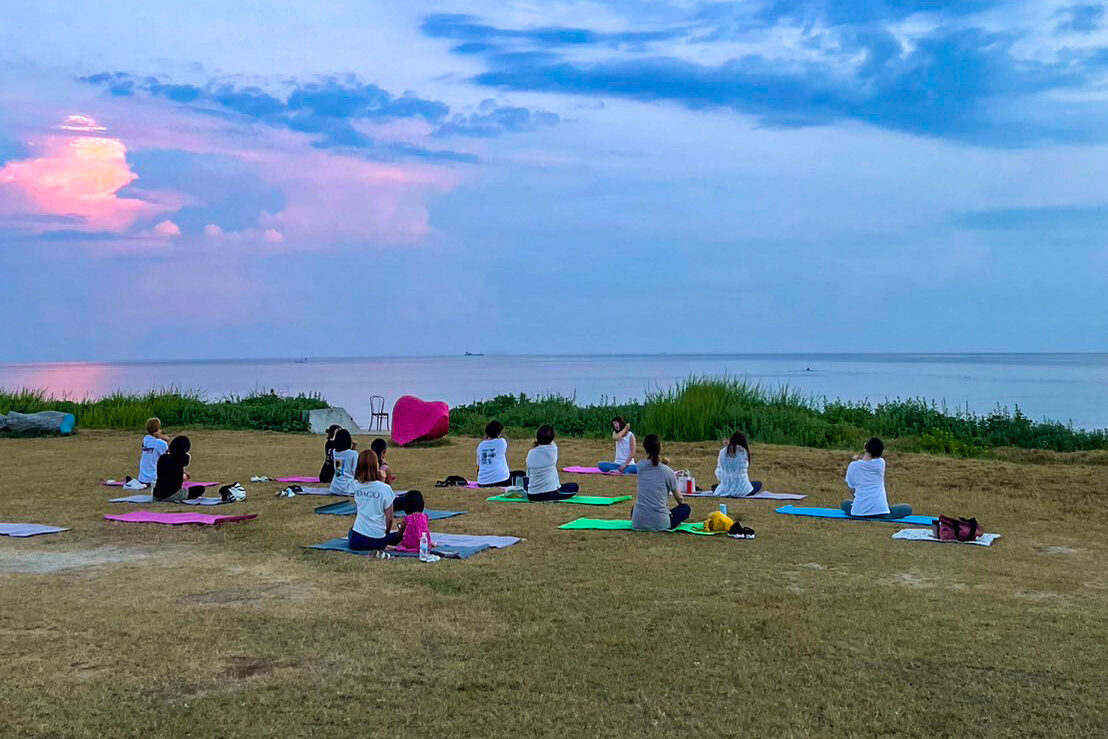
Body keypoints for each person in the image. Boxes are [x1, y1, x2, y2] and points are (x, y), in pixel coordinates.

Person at [842, 437, 912, 519]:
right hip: (881, 511)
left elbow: (851, 489)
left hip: (858, 511)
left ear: (865, 447)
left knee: (844, 504)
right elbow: (870, 460)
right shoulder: (881, 463)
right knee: (907, 508)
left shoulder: (853, 466)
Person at [631, 434, 690, 530]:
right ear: (660, 448)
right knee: (685, 508)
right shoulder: (668, 471)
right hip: (661, 523)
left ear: (645, 448)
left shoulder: (640, 467)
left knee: (635, 509)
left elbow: (652, 468)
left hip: (638, 521)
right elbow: (679, 498)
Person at [348, 450, 400, 552]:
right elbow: (389, 519)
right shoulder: (385, 488)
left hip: (356, 540)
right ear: (376, 465)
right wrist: (386, 534)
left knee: (352, 531)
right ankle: (385, 544)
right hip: (377, 539)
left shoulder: (356, 486)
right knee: (394, 536)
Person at [525, 425, 580, 501]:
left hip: (531, 495)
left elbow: (528, 475)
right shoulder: (552, 450)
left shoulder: (531, 453)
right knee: (574, 487)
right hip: (549, 493)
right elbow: (550, 442)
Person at [713, 431, 764, 497]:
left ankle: (727, 490)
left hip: (726, 487)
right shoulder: (744, 452)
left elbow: (719, 471)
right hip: (742, 489)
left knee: (714, 487)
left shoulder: (722, 452)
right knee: (758, 484)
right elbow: (744, 468)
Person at [152, 436, 199, 502]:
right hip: (172, 494)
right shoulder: (180, 460)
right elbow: (181, 477)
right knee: (199, 489)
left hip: (156, 494)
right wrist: (184, 475)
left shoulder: (162, 458)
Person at [476, 421, 513, 486]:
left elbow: (478, 464)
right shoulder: (502, 442)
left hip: (482, 482)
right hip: (501, 479)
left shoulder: (481, 445)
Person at [136, 417, 170, 487]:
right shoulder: (161, 443)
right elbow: (168, 458)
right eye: (160, 429)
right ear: (156, 431)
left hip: (142, 479)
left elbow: (154, 440)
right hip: (154, 479)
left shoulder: (145, 439)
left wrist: (160, 436)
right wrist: (167, 440)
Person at [329, 429, 359, 495]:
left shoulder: (334, 452)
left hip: (335, 487)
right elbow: (354, 470)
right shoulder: (354, 454)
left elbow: (341, 465)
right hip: (348, 487)